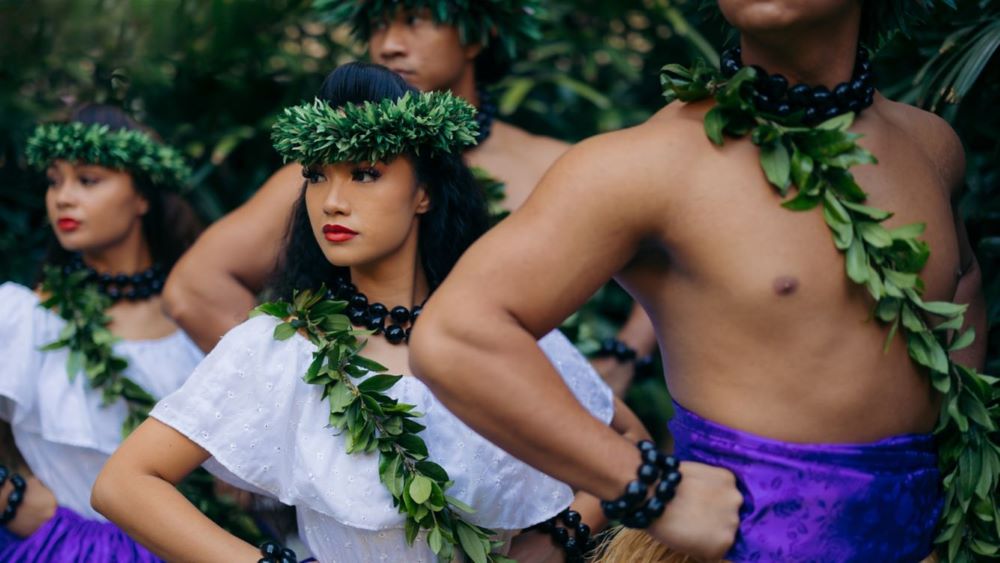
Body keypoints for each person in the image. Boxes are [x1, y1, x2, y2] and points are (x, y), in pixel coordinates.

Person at [409, 1, 992, 561]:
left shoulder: (930, 147)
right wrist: (642, 486)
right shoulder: (649, 165)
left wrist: (958, 475)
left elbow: (961, 278)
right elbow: (460, 335)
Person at [93, 63, 641, 563]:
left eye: (364, 173)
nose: (331, 200)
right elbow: (124, 483)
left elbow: (629, 441)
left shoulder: (496, 332)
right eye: (317, 175)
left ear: (424, 192)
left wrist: (553, 543)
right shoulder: (282, 346)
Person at [163, 0, 656, 398]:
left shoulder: (554, 166)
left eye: (415, 19)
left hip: (538, 435)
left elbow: (669, 251)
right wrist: (316, 392)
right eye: (377, 25)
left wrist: (625, 356)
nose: (389, 45)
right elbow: (195, 288)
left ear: (476, 33)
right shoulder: (328, 177)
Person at [0, 104, 204, 560]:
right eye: (55, 181)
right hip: (55, 547)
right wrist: (10, 497)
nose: (63, 198)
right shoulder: (22, 317)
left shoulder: (195, 322)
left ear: (142, 198)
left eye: (87, 180)